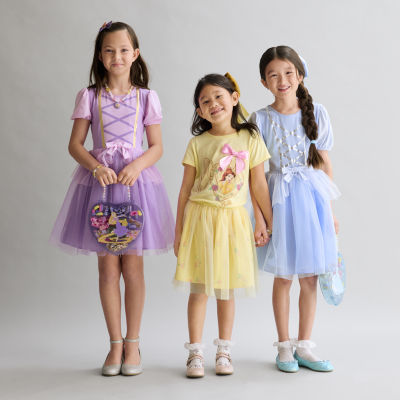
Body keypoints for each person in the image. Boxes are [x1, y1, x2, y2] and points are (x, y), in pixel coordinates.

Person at [50, 21, 174, 376]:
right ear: (100, 56)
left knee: (133, 267)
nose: (116, 56)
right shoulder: (89, 96)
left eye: (123, 50)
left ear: (135, 54)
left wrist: (137, 166)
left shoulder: (146, 97)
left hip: (135, 186)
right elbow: (75, 144)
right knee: (107, 268)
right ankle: (115, 344)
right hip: (102, 187)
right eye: (109, 50)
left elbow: (157, 147)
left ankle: (133, 344)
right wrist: (94, 167)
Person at [174, 74, 273, 378]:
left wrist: (267, 221)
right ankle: (195, 353)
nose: (213, 104)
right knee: (199, 288)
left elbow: (257, 184)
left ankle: (224, 351)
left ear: (234, 97)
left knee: (226, 289)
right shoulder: (197, 143)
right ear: (200, 111)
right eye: (205, 101)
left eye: (218, 96)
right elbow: (184, 190)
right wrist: (178, 232)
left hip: (233, 221)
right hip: (201, 220)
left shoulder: (250, 138)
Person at [250, 45, 340, 372]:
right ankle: (284, 346)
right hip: (278, 201)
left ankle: (305, 345)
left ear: (300, 75)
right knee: (284, 276)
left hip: (311, 202)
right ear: (264, 82)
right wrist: (262, 218)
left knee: (310, 277)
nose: (282, 80)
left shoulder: (318, 113)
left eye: (288, 72)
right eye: (273, 75)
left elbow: (324, 165)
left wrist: (328, 212)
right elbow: (255, 176)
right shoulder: (260, 119)